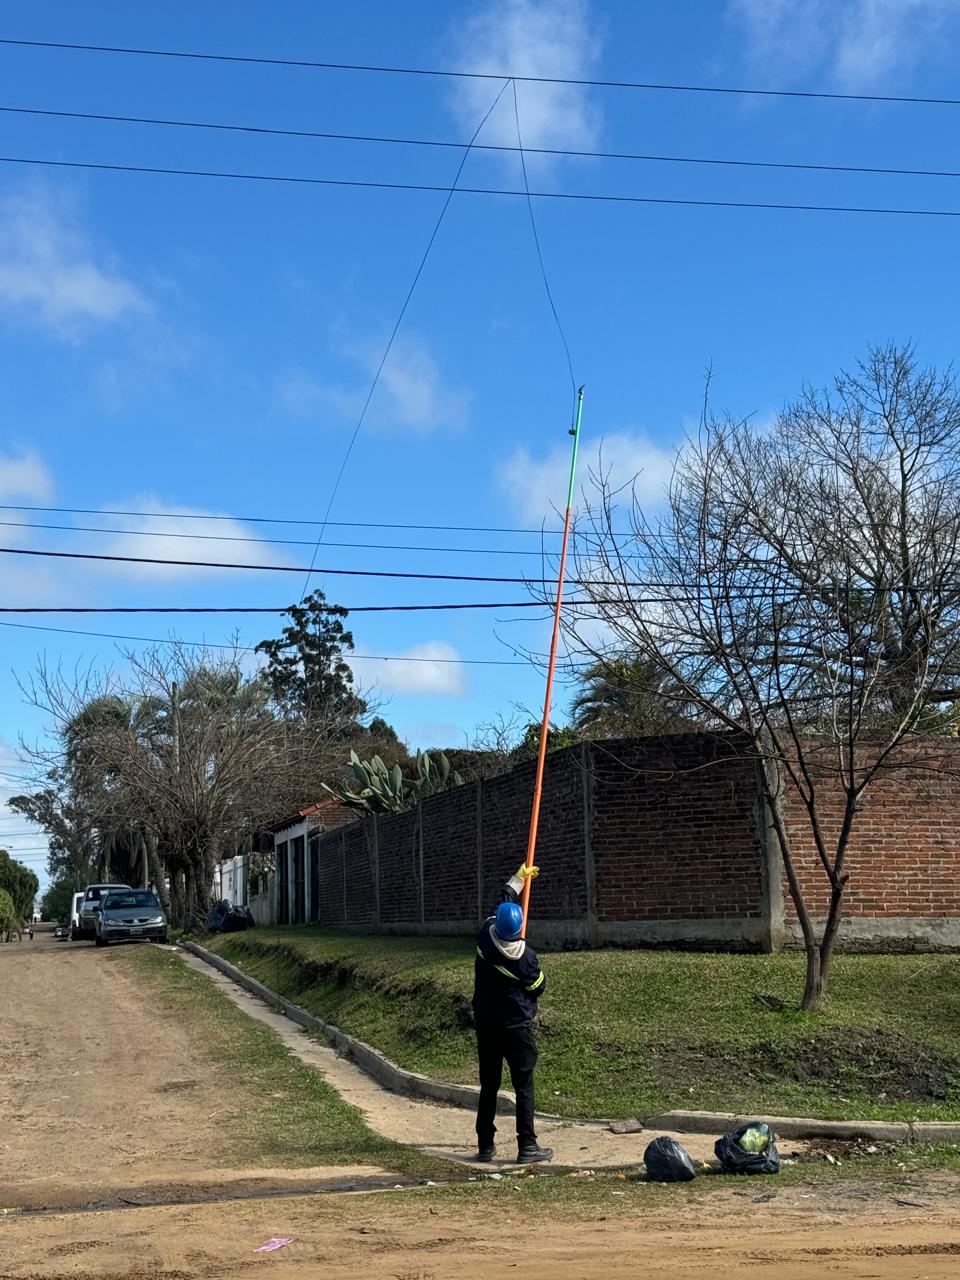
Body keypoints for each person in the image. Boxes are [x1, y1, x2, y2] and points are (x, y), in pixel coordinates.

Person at [473, 862, 552, 1165]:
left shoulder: (484, 936)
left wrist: (519, 878)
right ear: (518, 930)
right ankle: (527, 1146)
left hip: (487, 1025)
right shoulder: (526, 959)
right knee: (524, 1086)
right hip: (517, 1029)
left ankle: (485, 1145)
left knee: (489, 1085)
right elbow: (539, 987)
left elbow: (503, 901)